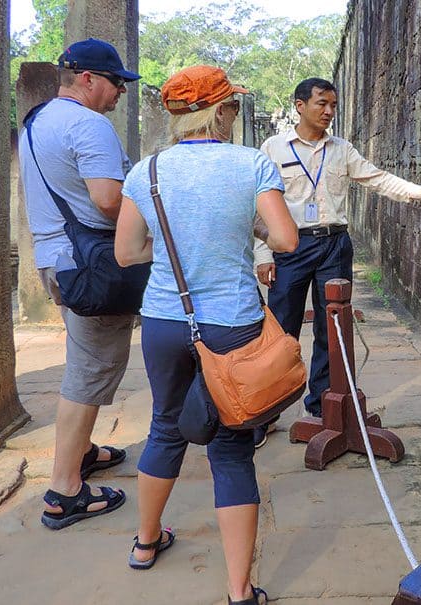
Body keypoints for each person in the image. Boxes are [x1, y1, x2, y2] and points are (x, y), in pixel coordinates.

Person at [115, 65, 297, 605]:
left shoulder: (144, 172)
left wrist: (177, 254)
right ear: (221, 111)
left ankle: (146, 542)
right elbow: (284, 239)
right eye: (233, 106)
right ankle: (239, 590)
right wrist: (246, 230)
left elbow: (126, 253)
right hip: (232, 323)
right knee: (233, 448)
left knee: (166, 427)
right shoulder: (250, 164)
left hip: (166, 321)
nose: (235, 114)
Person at [254, 77, 421, 444]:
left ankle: (318, 406)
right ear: (300, 105)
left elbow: (378, 179)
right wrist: (263, 253)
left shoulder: (341, 149)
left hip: (334, 246)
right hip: (289, 247)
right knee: (280, 331)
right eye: (321, 103)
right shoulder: (272, 148)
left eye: (333, 104)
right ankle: (265, 413)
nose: (329, 111)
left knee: (330, 330)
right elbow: (257, 203)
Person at [18, 38, 141, 529]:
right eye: (115, 83)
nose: (119, 94)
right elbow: (109, 201)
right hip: (91, 263)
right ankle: (64, 488)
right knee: (91, 368)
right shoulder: (88, 125)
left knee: (82, 356)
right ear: (88, 79)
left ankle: (83, 450)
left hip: (56, 256)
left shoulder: (37, 119)